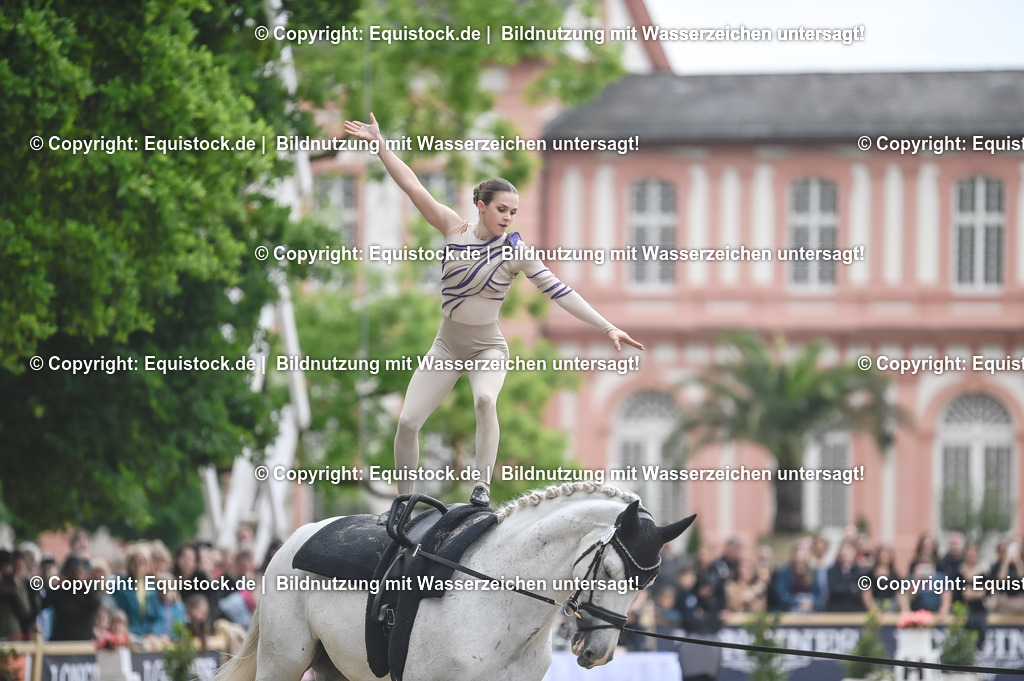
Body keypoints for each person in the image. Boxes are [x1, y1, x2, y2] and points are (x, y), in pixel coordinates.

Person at [344, 113, 644, 506]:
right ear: (481, 206)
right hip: (446, 347)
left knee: (485, 400)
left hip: (488, 347)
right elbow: (411, 185)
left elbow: (560, 291)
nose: (508, 218)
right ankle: (404, 504)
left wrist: (607, 327)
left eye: (514, 212)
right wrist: (380, 145)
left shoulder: (516, 252)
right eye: (502, 209)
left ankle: (481, 487)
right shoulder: (452, 227)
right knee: (406, 423)